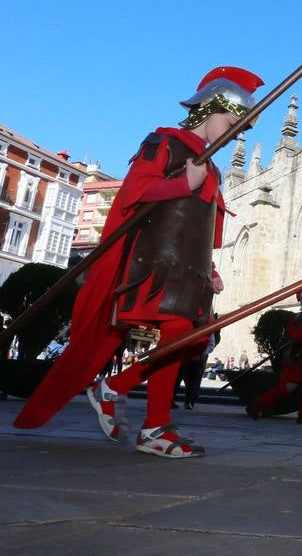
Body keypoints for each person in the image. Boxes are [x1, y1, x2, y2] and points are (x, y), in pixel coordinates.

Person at [14, 65, 262, 458]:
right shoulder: (166, 142)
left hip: (189, 269)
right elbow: (135, 191)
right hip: (156, 266)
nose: (236, 133)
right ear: (212, 109)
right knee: (181, 334)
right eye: (233, 121)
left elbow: (200, 227)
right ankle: (137, 411)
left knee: (185, 340)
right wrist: (183, 183)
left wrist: (211, 270)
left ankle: (144, 416)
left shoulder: (211, 166)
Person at [251, 288, 302, 424]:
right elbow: (296, 338)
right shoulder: (300, 317)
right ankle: (260, 403)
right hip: (297, 358)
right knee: (289, 386)